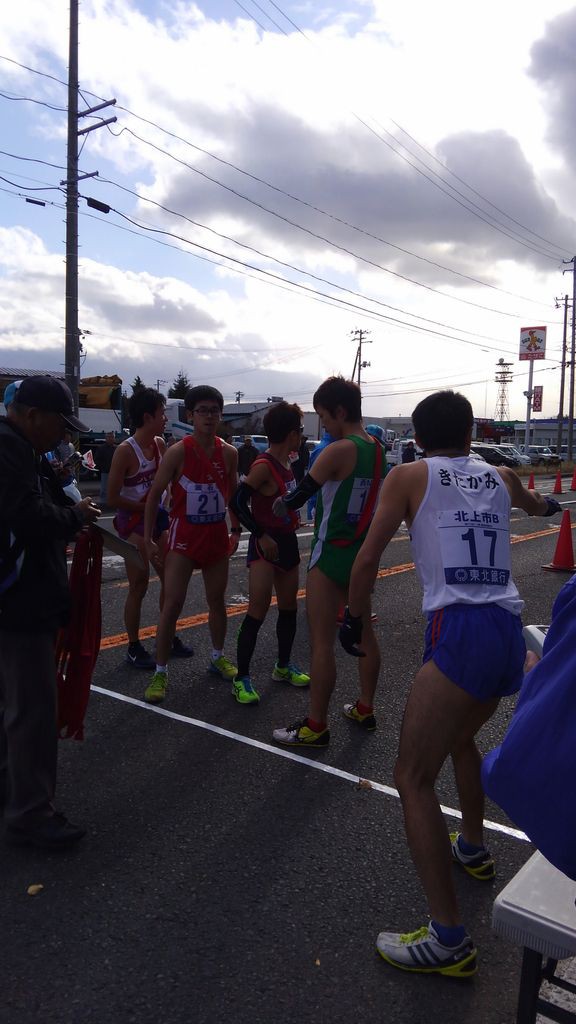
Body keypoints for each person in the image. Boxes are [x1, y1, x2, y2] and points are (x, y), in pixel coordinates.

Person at [339, 389, 562, 977]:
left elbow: (367, 561)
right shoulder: (500, 474)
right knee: (460, 737)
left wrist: (352, 619)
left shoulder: (410, 476)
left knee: (410, 776)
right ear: (470, 433)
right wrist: (555, 514)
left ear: (417, 435)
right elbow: (540, 507)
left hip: (459, 627)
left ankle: (448, 939)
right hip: (506, 630)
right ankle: (473, 846)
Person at [0, 376, 101, 849]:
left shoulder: (21, 447)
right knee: (35, 709)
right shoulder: (10, 448)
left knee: (13, 703)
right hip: (18, 601)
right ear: (33, 415)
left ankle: (14, 787)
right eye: (61, 425)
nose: (65, 436)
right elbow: (29, 517)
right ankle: (31, 813)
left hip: (16, 598)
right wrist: (75, 518)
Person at [271, 376, 385, 747]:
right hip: (360, 553)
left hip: (330, 551)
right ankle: (365, 707)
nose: (324, 426)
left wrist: (277, 506)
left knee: (322, 643)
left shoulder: (339, 449)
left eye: (324, 417)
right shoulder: (377, 448)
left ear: (339, 411)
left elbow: (301, 492)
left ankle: (315, 725)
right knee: (364, 632)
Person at [142, 385, 241, 704]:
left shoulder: (229, 452)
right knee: (172, 603)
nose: (209, 416)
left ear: (221, 415)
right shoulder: (178, 451)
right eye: (202, 411)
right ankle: (160, 671)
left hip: (215, 536)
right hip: (183, 537)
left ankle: (217, 656)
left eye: (214, 410)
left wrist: (237, 529)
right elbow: (155, 495)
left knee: (217, 601)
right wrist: (146, 539)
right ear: (190, 415)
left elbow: (235, 495)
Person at [229, 401, 310, 704]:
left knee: (289, 608)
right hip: (265, 546)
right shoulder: (263, 465)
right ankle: (242, 678)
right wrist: (260, 534)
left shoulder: (288, 461)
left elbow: (283, 500)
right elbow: (237, 503)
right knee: (257, 611)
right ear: (291, 434)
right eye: (300, 431)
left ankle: (283, 666)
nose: (301, 436)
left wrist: (290, 517)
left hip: (286, 541)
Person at [107, 388, 193, 670]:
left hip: (157, 519)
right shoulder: (124, 451)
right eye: (161, 414)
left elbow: (170, 478)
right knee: (139, 584)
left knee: (171, 582)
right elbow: (112, 498)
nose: (166, 419)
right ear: (147, 417)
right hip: (133, 522)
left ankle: (167, 637)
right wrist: (144, 507)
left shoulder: (158, 444)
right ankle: (133, 646)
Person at [93, 431, 117, 504]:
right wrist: (102, 468)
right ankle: (104, 504)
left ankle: (114, 503)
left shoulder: (118, 448)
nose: (110, 439)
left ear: (114, 438)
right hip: (105, 472)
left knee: (116, 488)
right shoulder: (101, 448)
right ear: (106, 438)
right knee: (104, 490)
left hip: (116, 472)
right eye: (109, 437)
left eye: (112, 437)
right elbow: (96, 460)